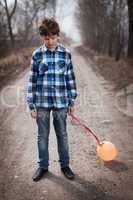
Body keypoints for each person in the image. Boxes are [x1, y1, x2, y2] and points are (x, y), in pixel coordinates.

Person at [26, 17, 77, 182]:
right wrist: (31, 104)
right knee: (42, 136)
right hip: (42, 102)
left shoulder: (66, 53)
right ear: (43, 37)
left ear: (58, 36)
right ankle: (43, 166)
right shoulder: (37, 55)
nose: (50, 41)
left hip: (61, 102)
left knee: (62, 134)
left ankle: (65, 165)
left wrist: (71, 101)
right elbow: (32, 81)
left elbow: (70, 79)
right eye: (47, 38)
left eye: (53, 37)